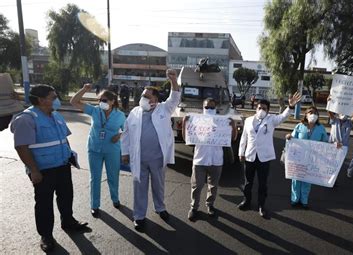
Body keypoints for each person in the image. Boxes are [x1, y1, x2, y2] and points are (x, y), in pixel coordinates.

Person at [10, 85, 89, 252]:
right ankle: (46, 235)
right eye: (53, 97)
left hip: (62, 165)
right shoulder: (27, 119)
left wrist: (69, 156)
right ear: (41, 100)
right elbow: (21, 147)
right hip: (43, 170)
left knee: (66, 196)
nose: (57, 99)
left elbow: (63, 139)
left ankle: (68, 222)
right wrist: (33, 170)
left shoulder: (56, 115)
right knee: (44, 204)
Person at [121, 69, 180, 231]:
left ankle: (160, 207)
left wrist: (173, 80)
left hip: (158, 157)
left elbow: (174, 97)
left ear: (155, 99)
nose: (143, 99)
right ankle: (139, 216)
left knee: (158, 185)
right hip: (139, 158)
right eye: (143, 95)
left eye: (147, 96)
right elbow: (125, 134)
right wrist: (125, 152)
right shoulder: (135, 112)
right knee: (139, 187)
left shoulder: (164, 109)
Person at [238, 92, 302, 218]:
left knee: (262, 183)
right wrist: (241, 153)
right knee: (248, 182)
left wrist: (290, 106)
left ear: (268, 110)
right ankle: (247, 201)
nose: (261, 110)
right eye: (259, 108)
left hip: (264, 157)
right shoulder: (248, 120)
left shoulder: (271, 120)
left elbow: (283, 116)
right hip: (250, 156)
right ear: (256, 108)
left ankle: (262, 205)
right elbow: (244, 138)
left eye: (264, 108)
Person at [70, 84, 126, 217]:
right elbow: (73, 102)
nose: (101, 103)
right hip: (94, 148)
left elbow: (127, 130)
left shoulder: (120, 115)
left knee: (113, 176)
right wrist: (84, 89)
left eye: (105, 100)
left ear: (113, 101)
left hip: (112, 149)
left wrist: (119, 135)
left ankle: (115, 199)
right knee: (95, 178)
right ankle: (94, 205)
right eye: (100, 100)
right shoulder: (94, 111)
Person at [182, 98, 237, 221]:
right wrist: (185, 123)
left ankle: (210, 205)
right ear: (203, 107)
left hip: (216, 161)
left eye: (211, 107)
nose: (209, 109)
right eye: (206, 107)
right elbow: (187, 138)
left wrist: (233, 126)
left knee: (213, 186)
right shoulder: (196, 122)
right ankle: (194, 207)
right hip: (200, 160)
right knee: (196, 186)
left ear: (215, 108)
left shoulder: (221, 122)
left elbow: (232, 139)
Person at [285, 106, 329, 208]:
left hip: (312, 159)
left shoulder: (321, 128)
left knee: (307, 179)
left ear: (318, 115)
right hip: (298, 158)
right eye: (310, 112)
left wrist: (335, 145)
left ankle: (304, 200)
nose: (313, 114)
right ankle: (295, 199)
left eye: (315, 113)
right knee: (296, 179)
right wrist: (289, 137)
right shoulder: (299, 126)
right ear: (306, 114)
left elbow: (326, 143)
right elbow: (292, 138)